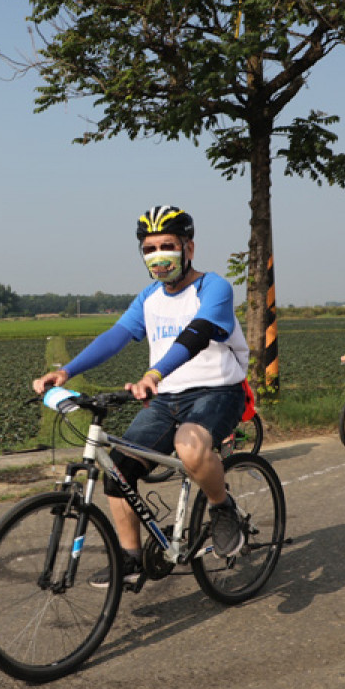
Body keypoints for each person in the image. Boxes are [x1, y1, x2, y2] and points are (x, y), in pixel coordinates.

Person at [33, 206, 251, 588]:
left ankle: (222, 508)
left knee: (190, 446)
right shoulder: (149, 297)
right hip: (167, 398)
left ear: (189, 248)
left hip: (218, 390)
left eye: (167, 245)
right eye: (149, 249)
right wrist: (67, 371)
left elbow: (197, 333)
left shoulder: (213, 287)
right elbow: (116, 336)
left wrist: (154, 372)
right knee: (118, 470)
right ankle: (130, 558)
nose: (158, 256)